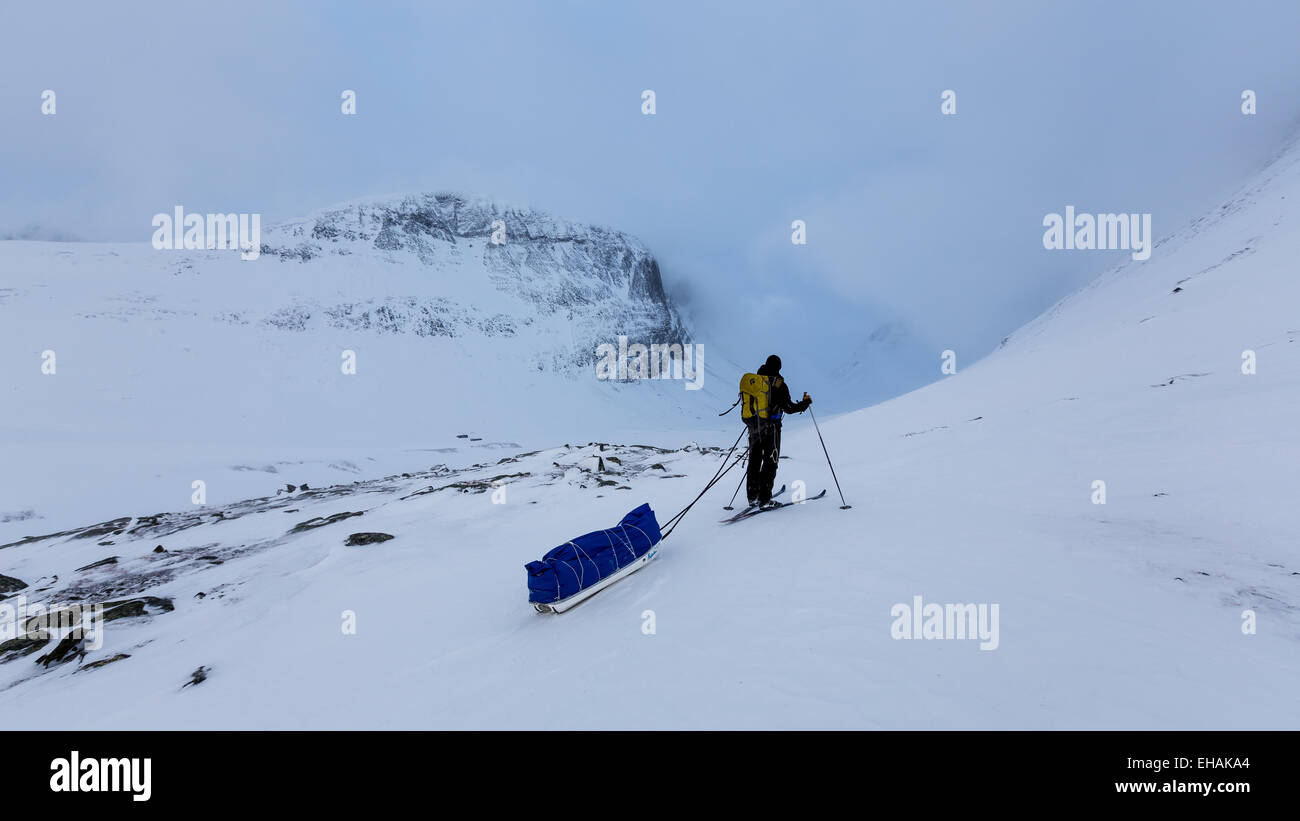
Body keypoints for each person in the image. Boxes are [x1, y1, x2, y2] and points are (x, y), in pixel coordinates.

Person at [745, 354, 811, 509]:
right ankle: (764, 500)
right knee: (770, 462)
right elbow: (789, 408)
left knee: (754, 461)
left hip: (754, 428)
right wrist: (805, 403)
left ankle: (752, 497)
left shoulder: (754, 381)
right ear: (779, 367)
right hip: (772, 429)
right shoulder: (779, 384)